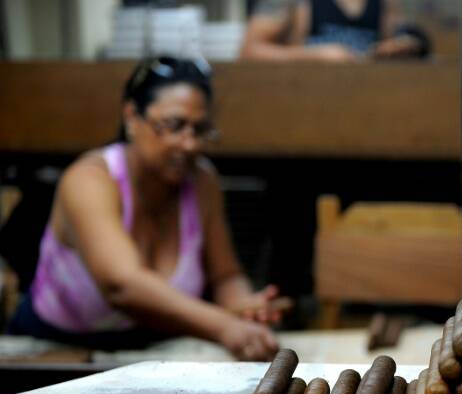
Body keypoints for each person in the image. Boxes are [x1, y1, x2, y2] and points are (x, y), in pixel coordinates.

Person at [7, 56, 284, 361]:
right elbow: (121, 284)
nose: (189, 144)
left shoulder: (201, 180)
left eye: (200, 129)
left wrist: (244, 308)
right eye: (174, 125)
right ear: (131, 117)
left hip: (153, 351)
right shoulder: (90, 179)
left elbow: (225, 275)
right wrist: (223, 326)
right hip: (53, 352)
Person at [240, 0, 430, 62]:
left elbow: (401, 38)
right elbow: (249, 51)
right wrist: (316, 56)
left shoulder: (385, 4)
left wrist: (404, 47)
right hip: (305, 103)